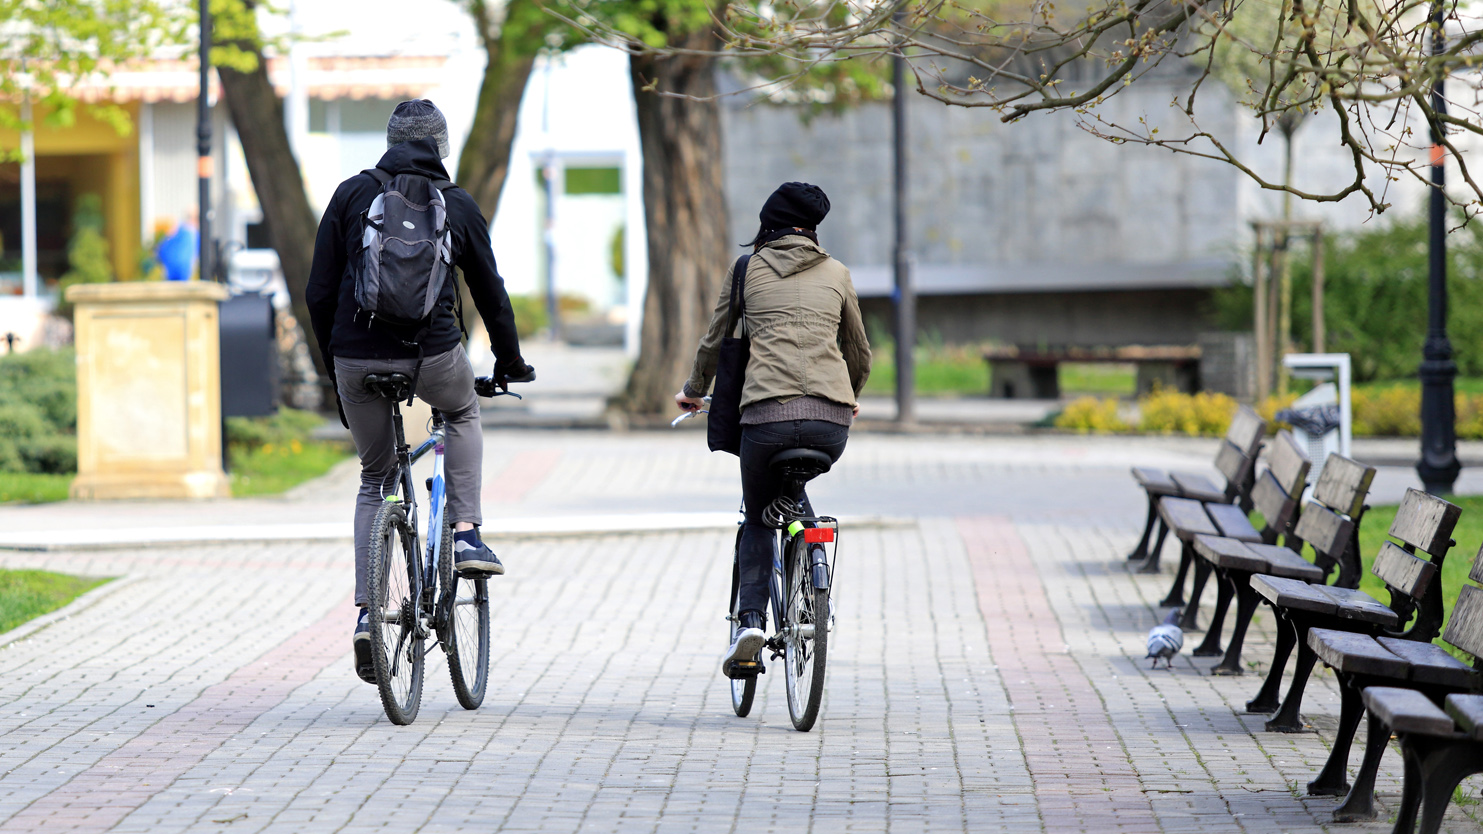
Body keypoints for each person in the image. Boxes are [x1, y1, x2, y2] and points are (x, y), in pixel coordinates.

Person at [306, 99, 534, 683]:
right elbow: (491, 291)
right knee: (461, 411)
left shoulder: (351, 195)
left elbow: (318, 292)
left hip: (354, 357)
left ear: (388, 141)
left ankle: (365, 614)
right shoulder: (454, 203)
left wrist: (333, 366)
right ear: (442, 146)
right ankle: (465, 535)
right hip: (431, 355)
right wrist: (511, 363)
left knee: (374, 479)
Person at [675, 181, 871, 678]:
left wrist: (695, 389)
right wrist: (849, 397)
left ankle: (750, 623)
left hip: (765, 420)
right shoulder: (838, 272)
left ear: (768, 223)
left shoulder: (746, 271)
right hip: (831, 425)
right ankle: (808, 549)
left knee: (760, 519)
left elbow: (715, 340)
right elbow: (859, 352)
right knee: (789, 496)